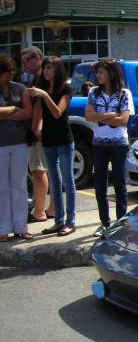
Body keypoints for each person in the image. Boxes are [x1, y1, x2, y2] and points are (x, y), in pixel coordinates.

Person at [28, 56, 76, 237]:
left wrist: (45, 95)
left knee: (67, 181)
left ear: (57, 70)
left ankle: (70, 222)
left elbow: (57, 112)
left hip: (64, 140)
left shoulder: (65, 89)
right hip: (48, 141)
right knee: (54, 183)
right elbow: (40, 114)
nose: (46, 71)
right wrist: (37, 129)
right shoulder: (42, 89)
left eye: (49, 68)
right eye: (45, 68)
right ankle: (58, 221)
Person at [84, 58, 130, 237]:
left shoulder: (124, 94)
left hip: (119, 144)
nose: (98, 75)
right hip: (99, 144)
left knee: (120, 184)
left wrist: (100, 116)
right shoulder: (93, 92)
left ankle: (121, 222)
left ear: (111, 73)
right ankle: (104, 223)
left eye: (101, 72)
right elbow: (88, 116)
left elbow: (124, 120)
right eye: (97, 72)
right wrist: (112, 114)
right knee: (100, 185)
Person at [0, 53, 34, 241]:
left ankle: (21, 226)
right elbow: (19, 111)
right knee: (2, 186)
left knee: (19, 185)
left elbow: (28, 112)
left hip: (19, 142)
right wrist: (14, 110)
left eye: (13, 70)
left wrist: (6, 114)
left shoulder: (20, 88)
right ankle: (3, 228)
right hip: (0, 145)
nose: (11, 74)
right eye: (8, 71)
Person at [20, 46, 54, 223]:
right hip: (45, 130)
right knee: (48, 170)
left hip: (38, 131)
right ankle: (52, 209)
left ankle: (39, 211)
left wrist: (34, 130)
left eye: (26, 60)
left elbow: (39, 108)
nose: (24, 64)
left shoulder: (40, 80)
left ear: (38, 58)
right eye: (22, 61)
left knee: (38, 171)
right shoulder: (40, 78)